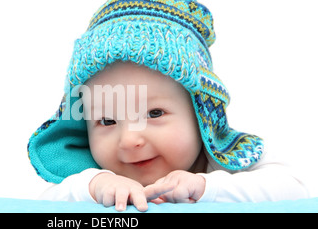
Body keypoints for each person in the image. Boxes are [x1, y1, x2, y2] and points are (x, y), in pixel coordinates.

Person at [27, 0, 309, 212]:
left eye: (154, 113)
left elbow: (294, 189)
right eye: (108, 121)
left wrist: (205, 187)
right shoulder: (95, 178)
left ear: (201, 114)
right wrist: (95, 186)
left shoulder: (228, 161)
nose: (130, 139)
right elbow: (43, 204)